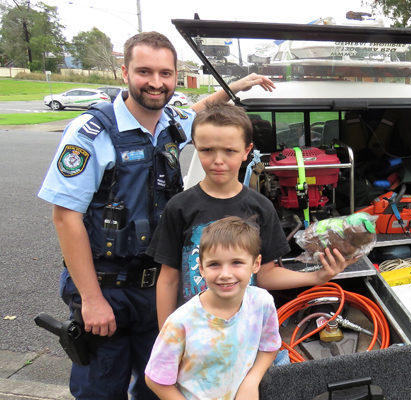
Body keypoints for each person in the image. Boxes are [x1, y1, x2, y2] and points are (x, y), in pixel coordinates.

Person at [37, 31, 275, 399]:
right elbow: (65, 218)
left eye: (165, 73)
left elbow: (200, 111)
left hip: (156, 289)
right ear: (124, 72)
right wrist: (92, 299)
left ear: (176, 76)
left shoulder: (171, 124)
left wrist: (237, 86)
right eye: (144, 71)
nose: (156, 82)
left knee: (160, 386)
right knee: (101, 390)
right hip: (107, 290)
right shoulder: (90, 134)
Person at [147, 103, 357, 330]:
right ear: (196, 147)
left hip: (246, 332)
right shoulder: (179, 207)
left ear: (247, 151)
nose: (218, 160)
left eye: (229, 151)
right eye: (207, 150)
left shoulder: (261, 207)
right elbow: (168, 279)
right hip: (195, 332)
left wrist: (316, 277)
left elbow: (265, 275)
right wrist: (166, 337)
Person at [145, 216, 281, 399]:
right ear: (201, 268)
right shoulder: (181, 322)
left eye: (237, 262)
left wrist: (252, 381)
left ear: (256, 264)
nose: (225, 274)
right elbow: (155, 380)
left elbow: (270, 346)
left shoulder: (262, 303)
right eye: (214, 264)